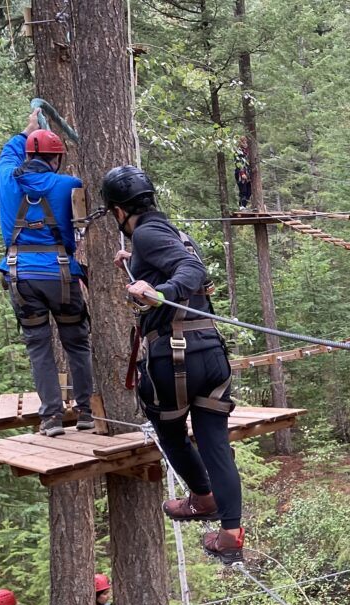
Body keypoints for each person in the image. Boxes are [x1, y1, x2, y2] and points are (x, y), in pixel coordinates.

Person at [102, 165, 246, 564]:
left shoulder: (147, 232)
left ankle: (203, 498)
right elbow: (186, 265)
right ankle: (231, 533)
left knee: (167, 427)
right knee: (214, 439)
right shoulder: (173, 234)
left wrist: (157, 291)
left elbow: (190, 272)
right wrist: (139, 267)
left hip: (175, 354)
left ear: (118, 210)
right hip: (211, 353)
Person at [0, 108, 94, 437]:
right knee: (76, 342)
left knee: (38, 346)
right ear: (56, 159)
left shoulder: (6, 180)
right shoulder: (67, 185)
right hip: (60, 276)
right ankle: (87, 411)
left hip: (21, 277)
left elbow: (7, 156)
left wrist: (25, 132)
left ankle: (50, 418)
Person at [234, 137, 252, 210]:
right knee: (243, 191)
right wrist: (242, 173)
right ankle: (241, 206)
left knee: (249, 191)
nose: (245, 144)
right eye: (243, 142)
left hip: (248, 173)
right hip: (240, 173)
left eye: (246, 142)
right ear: (240, 143)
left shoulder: (248, 151)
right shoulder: (238, 151)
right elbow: (238, 163)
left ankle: (244, 206)